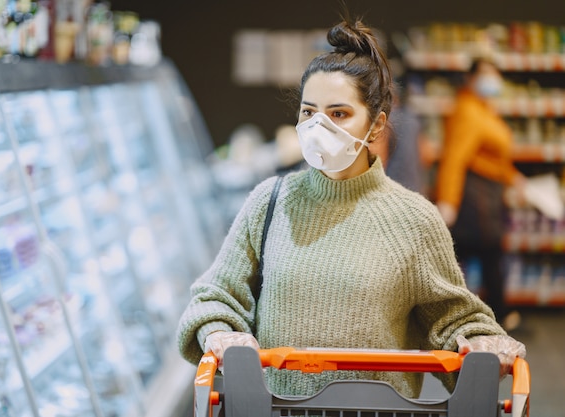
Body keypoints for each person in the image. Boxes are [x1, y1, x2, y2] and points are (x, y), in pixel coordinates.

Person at [176, 16, 526, 399]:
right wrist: (221, 332)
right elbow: (214, 296)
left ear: (376, 125)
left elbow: (455, 318)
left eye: (338, 114)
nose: (318, 127)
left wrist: (482, 342)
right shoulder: (269, 201)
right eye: (309, 112)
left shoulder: (414, 219)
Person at [435, 58, 525, 331]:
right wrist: (447, 202)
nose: (493, 79)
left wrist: (514, 178)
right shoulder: (468, 111)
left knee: (484, 255)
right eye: (486, 74)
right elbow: (454, 159)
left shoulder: (484, 108)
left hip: (488, 193)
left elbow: (493, 157)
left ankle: (492, 315)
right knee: (485, 253)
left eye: (495, 73)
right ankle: (487, 316)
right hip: (476, 197)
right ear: (470, 78)